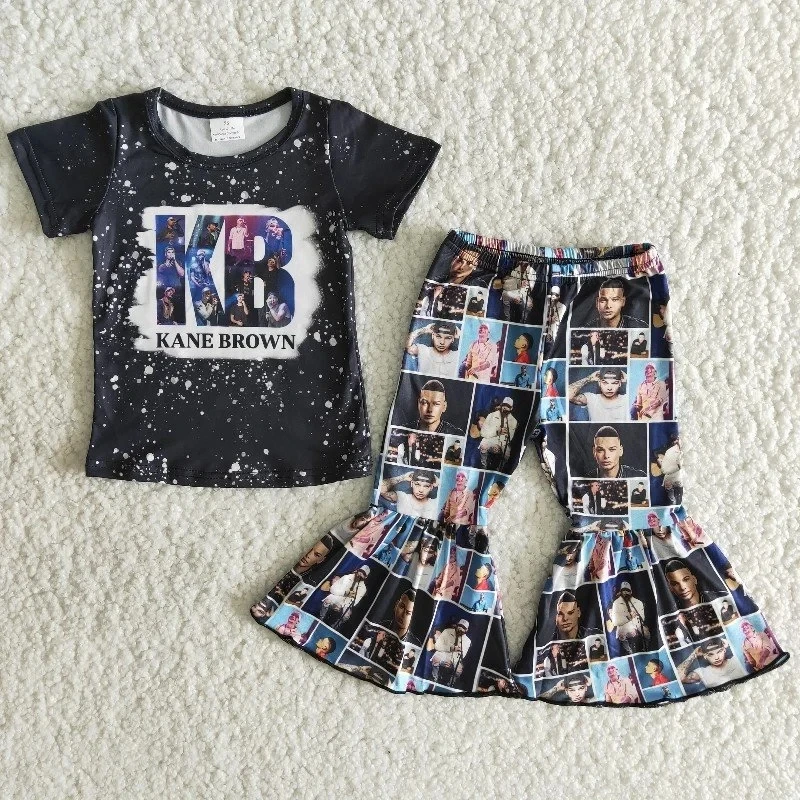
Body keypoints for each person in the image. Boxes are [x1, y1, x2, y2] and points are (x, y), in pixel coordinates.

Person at [676, 638, 747, 688]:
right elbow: (679, 678)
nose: (717, 657)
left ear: (724, 650)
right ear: (705, 656)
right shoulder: (703, 672)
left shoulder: (736, 660)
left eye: (719, 652)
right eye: (711, 654)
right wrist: (693, 655)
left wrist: (729, 641)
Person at [607, 581, 650, 654]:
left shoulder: (638, 602)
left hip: (636, 625)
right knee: (622, 635)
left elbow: (642, 618)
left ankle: (646, 648)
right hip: (623, 627)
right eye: (623, 591)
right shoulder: (615, 603)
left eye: (627, 591)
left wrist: (635, 626)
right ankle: (629, 650)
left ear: (631, 592)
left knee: (646, 633)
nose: (625, 592)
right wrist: (629, 616)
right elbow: (616, 621)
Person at [427, 618, 471, 686]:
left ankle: (450, 683)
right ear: (457, 625)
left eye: (463, 628)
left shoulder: (467, 641)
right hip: (443, 654)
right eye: (460, 626)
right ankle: (434, 678)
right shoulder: (447, 631)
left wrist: (451, 662)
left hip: (455, 659)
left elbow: (462, 655)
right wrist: (451, 648)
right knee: (436, 659)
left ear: (466, 630)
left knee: (459, 670)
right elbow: (437, 646)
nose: (460, 628)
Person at [478, 397, 517, 469]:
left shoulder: (513, 421)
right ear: (501, 405)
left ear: (511, 408)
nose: (505, 408)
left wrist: (499, 445)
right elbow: (483, 432)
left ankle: (499, 468)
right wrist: (496, 432)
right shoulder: (491, 415)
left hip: (502, 443)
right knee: (483, 445)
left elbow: (509, 438)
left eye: (508, 406)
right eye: (504, 405)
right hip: (490, 439)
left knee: (507, 455)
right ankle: (484, 465)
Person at [660, 436, 684, 505]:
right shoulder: (669, 452)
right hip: (671, 475)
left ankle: (672, 495)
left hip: (674, 477)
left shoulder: (678, 454)